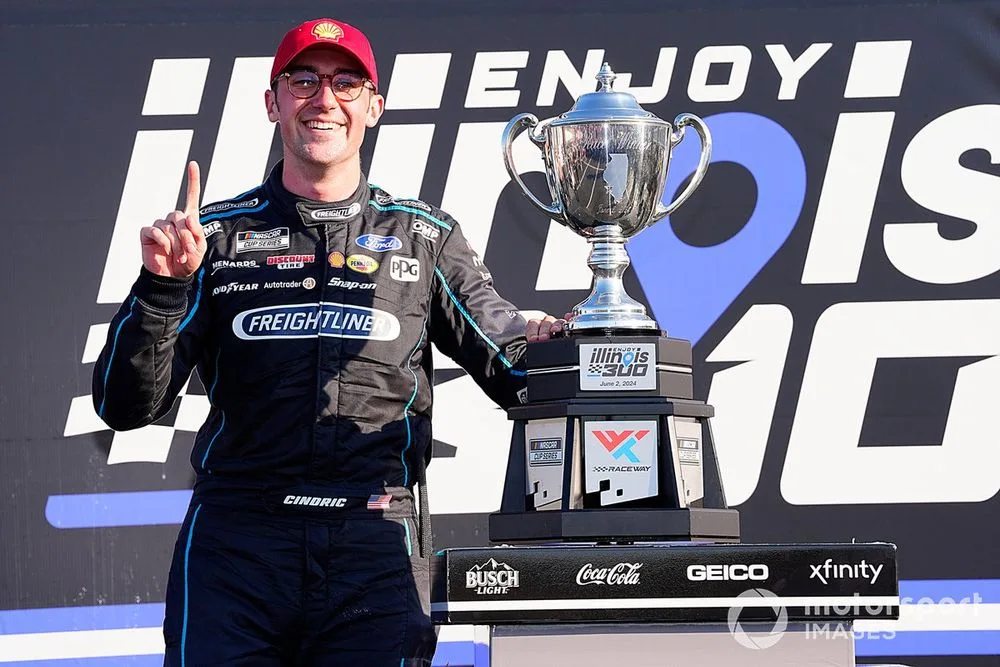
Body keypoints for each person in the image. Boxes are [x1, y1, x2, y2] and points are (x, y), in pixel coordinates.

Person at [93, 17, 565, 666]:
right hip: (238, 546)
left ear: (373, 106)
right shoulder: (214, 240)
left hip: (372, 542)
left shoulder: (424, 238)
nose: (325, 99)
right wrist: (161, 287)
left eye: (346, 82)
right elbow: (125, 406)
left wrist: (563, 343)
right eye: (304, 80)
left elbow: (512, 366)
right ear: (273, 100)